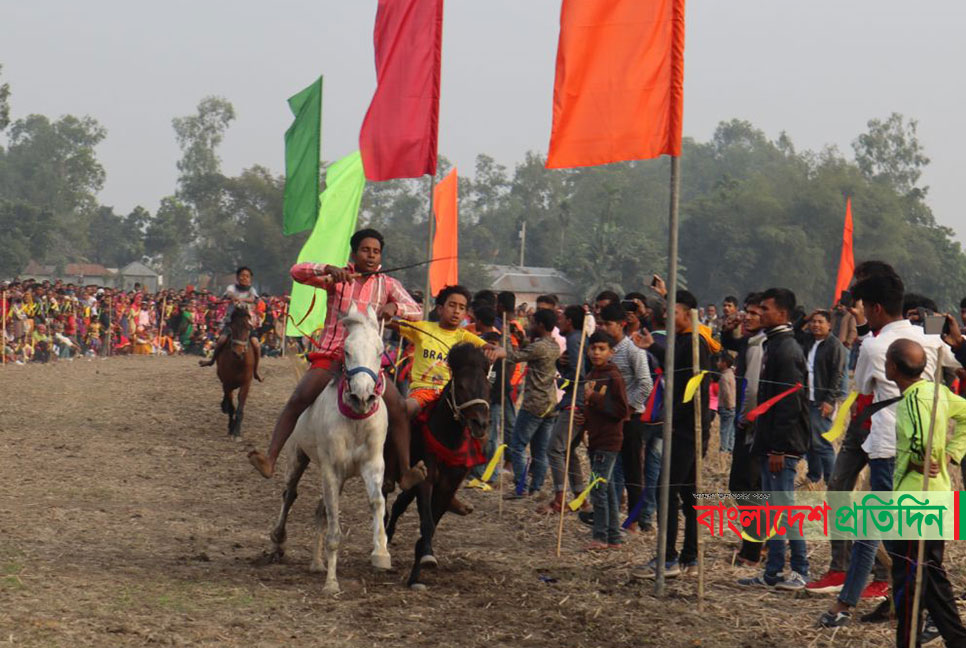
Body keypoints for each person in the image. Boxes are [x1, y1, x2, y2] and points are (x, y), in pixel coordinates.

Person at [816, 270, 956, 625]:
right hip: (924, 449)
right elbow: (955, 363)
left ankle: (857, 606)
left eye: (862, 306)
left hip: (886, 448)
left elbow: (863, 385)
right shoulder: (930, 339)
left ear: (875, 307)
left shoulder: (875, 346)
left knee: (880, 534)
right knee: (910, 540)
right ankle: (906, 608)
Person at [247, 229, 427, 493]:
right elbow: (297, 272)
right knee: (300, 398)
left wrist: (395, 308)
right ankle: (270, 459)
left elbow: (418, 310)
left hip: (366, 363)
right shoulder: (337, 277)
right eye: (365, 250)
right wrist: (328, 268)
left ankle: (404, 472)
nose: (371, 255)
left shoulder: (387, 284)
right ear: (354, 253)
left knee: (398, 408)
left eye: (376, 251)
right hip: (333, 356)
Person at [883, 338, 966, 648]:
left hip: (916, 501)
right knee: (929, 575)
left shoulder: (914, 401)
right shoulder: (937, 392)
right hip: (934, 497)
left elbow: (920, 442)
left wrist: (931, 457)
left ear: (891, 366)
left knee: (911, 580)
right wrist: (950, 454)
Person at [634, 290, 711, 579]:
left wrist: (676, 421)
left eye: (674, 313)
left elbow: (695, 391)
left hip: (686, 429)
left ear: (689, 314)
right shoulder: (680, 342)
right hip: (684, 426)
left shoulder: (696, 343)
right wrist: (654, 347)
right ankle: (691, 556)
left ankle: (668, 558)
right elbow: (675, 368)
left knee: (667, 490)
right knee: (689, 493)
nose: (668, 317)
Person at [738, 287, 811, 591]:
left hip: (783, 444)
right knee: (773, 509)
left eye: (765, 309)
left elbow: (789, 403)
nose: (759, 314)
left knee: (785, 507)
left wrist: (780, 447)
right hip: (770, 441)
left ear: (782, 313)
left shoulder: (787, 350)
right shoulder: (774, 344)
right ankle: (771, 572)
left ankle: (800, 570)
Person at [490, 308, 562, 498]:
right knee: (540, 449)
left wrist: (505, 337)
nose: (529, 325)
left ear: (540, 325)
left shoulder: (539, 347)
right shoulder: (553, 345)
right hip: (550, 403)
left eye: (532, 322)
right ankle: (535, 488)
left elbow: (513, 356)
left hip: (534, 404)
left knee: (517, 445)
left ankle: (520, 487)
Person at [394, 285, 488, 418]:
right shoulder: (423, 328)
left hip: (451, 396)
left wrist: (497, 352)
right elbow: (392, 323)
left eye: (461, 308)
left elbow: (495, 349)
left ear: (465, 314)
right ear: (440, 309)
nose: (456, 311)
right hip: (421, 392)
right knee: (403, 411)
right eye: (452, 305)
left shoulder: (464, 336)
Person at [598, 302, 652, 533]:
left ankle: (635, 519)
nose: (604, 328)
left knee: (632, 470)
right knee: (610, 470)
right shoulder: (605, 351)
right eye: (602, 323)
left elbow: (645, 384)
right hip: (610, 418)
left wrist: (628, 408)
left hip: (630, 419)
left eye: (608, 324)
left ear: (621, 325)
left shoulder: (633, 350)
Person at [582, 331, 631, 551]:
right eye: (593, 348)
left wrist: (595, 398)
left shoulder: (613, 375)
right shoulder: (592, 373)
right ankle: (614, 537)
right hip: (595, 438)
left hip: (608, 440)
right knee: (608, 488)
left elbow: (622, 410)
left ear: (611, 352)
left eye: (602, 348)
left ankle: (600, 536)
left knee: (598, 488)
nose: (596, 352)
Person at [543, 305, 592, 514]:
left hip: (575, 402)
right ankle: (581, 498)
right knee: (568, 450)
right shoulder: (581, 339)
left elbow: (579, 375)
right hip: (577, 400)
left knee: (555, 449)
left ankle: (559, 498)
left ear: (570, 321)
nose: (558, 322)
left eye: (561, 319)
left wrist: (563, 376)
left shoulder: (574, 340)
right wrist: (560, 364)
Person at [802, 310, 847, 486]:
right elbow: (795, 329)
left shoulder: (834, 345)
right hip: (806, 398)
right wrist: (805, 317)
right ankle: (813, 476)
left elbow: (838, 375)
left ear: (829, 325)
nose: (816, 325)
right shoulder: (808, 340)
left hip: (822, 401)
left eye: (820, 322)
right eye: (813, 321)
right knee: (808, 442)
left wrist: (829, 400)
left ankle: (832, 480)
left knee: (822, 442)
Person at [199, 266, 263, 382]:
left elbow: (252, 299)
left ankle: (255, 370)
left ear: (250, 279)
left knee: (256, 344)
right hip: (231, 322)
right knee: (221, 340)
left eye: (247, 276)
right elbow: (229, 294)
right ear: (237, 277)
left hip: (246, 323)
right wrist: (234, 298)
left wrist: (241, 300)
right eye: (242, 276)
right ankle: (212, 360)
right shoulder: (231, 287)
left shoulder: (251, 290)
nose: (244, 278)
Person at [716, 353, 736, 454]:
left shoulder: (723, 377)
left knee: (724, 429)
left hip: (726, 406)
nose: (717, 363)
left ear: (724, 363)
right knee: (731, 429)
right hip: (733, 406)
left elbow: (726, 393)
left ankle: (723, 449)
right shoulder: (732, 374)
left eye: (719, 361)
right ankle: (730, 448)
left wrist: (728, 406)